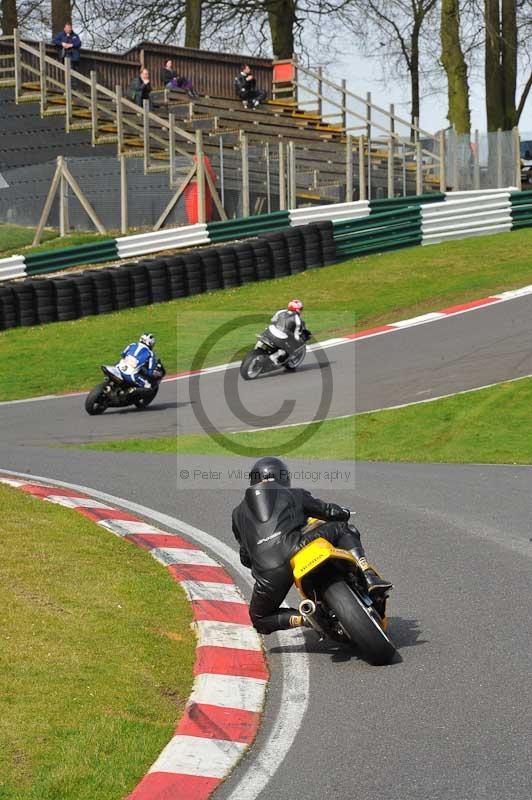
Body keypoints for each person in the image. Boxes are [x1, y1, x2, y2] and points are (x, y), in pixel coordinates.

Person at [232, 457, 392, 635]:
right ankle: (367, 573)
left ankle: (305, 617)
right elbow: (329, 512)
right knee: (342, 528)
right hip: (295, 547)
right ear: (283, 477)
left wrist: (263, 563)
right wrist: (343, 512)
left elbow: (245, 557)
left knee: (259, 619)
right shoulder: (293, 493)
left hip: (268, 572)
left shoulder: (237, 514)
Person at [267, 298, 310, 362]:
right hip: (280, 337)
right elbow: (296, 336)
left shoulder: (280, 311)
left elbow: (272, 320)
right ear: (297, 309)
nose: (301, 311)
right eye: (300, 309)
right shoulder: (297, 320)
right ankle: (274, 357)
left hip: (269, 332)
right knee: (289, 349)